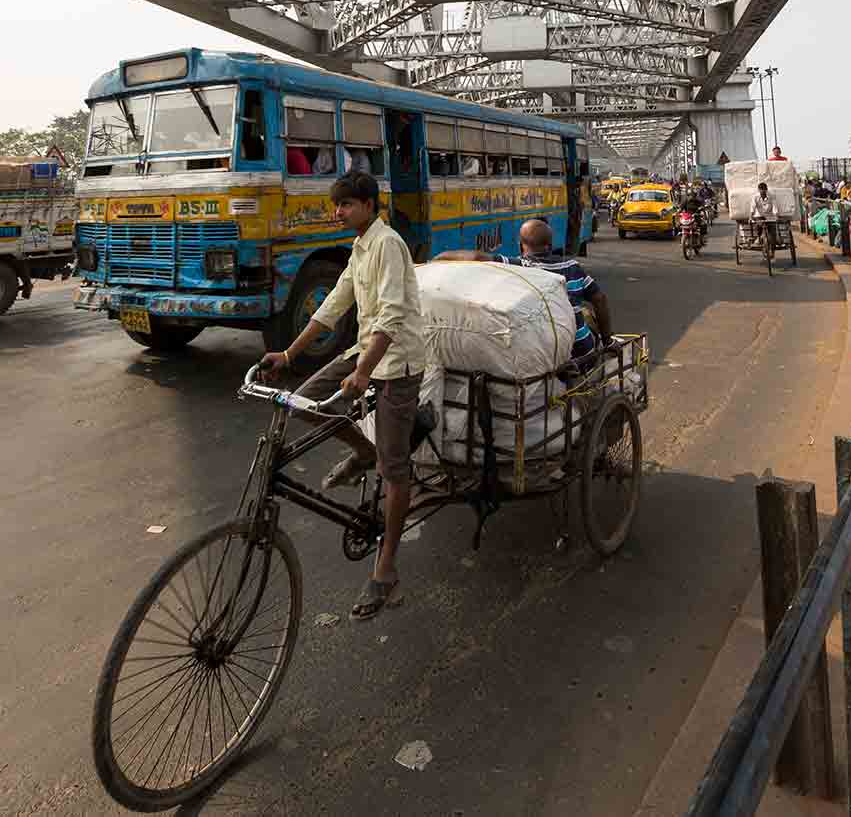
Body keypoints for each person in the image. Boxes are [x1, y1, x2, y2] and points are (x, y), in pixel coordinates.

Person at [257, 172, 426, 620]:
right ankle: (365, 451)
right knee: (307, 401)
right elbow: (335, 302)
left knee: (395, 470)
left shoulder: (388, 244)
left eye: (347, 205)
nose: (338, 213)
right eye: (337, 205)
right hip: (364, 351)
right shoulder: (360, 247)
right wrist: (290, 353)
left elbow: (392, 314)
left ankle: (385, 571)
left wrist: (364, 373)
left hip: (398, 362)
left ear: (370, 205)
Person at [444, 218, 614, 371]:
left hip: (536, 359)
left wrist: (438, 258)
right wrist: (608, 341)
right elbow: (600, 299)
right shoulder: (572, 267)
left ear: (521, 245)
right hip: (580, 355)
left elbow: (476, 257)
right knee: (585, 316)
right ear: (550, 244)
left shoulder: (517, 268)